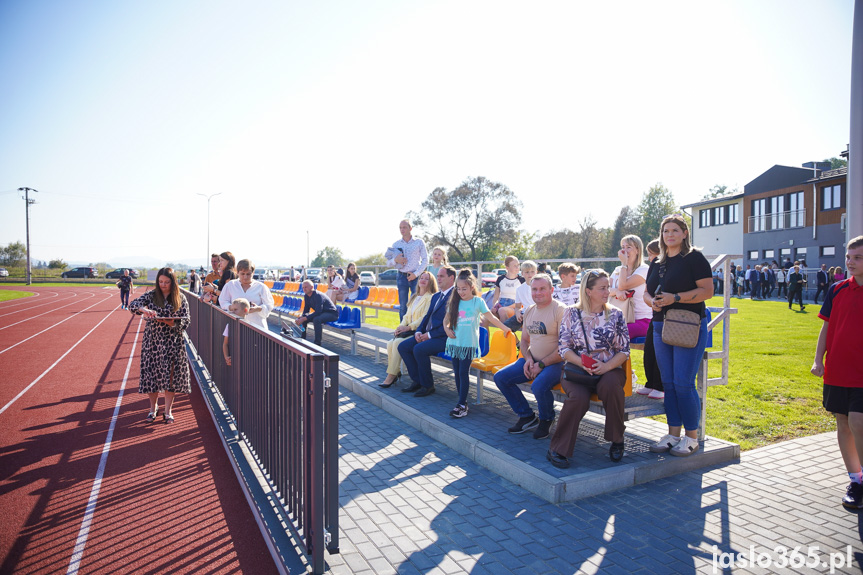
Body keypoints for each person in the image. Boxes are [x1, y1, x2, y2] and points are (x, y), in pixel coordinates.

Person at [644, 214, 714, 457]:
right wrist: (652, 301)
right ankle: (673, 435)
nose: (670, 235)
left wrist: (675, 298)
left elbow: (708, 291)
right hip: (660, 325)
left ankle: (691, 438)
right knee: (670, 384)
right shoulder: (657, 262)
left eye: (675, 230)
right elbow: (646, 293)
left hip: (688, 325)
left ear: (685, 233)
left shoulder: (694, 258)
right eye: (666, 231)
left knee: (684, 384)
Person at [547, 269, 631, 468]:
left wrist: (606, 366)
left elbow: (624, 350)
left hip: (609, 370)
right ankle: (558, 449)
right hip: (577, 372)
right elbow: (564, 347)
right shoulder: (571, 313)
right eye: (602, 288)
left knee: (610, 386)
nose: (607, 292)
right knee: (578, 398)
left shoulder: (616, 314)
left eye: (608, 287)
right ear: (588, 291)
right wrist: (582, 363)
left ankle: (617, 439)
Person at [811, 236, 863, 508]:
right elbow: (826, 327)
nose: (851, 263)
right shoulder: (837, 289)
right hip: (838, 369)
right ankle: (856, 480)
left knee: (858, 422)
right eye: (848, 257)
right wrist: (818, 359)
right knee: (842, 422)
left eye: (858, 258)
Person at [494, 273, 567, 439]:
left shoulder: (561, 310)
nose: (538, 292)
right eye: (534, 289)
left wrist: (540, 364)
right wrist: (527, 359)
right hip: (532, 360)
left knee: (538, 386)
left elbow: (564, 346)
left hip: (556, 364)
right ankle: (527, 416)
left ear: (551, 290)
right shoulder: (529, 311)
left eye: (542, 289)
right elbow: (525, 340)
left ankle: (547, 418)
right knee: (501, 378)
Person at [443, 270, 512, 418]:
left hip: (468, 344)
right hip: (455, 343)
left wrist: (505, 328)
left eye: (464, 289)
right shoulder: (455, 302)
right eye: (458, 289)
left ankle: (462, 404)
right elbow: (446, 319)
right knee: (457, 373)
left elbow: (491, 318)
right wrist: (446, 329)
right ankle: (462, 401)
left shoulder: (477, 302)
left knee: (463, 373)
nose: (461, 292)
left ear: (472, 287)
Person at [128, 268, 191, 424]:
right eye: (161, 282)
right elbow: (132, 305)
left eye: (167, 282)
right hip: (153, 341)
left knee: (171, 377)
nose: (163, 285)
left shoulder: (180, 297)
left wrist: (172, 322)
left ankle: (168, 411)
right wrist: (144, 309)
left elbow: (186, 320)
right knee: (152, 376)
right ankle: (152, 409)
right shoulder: (151, 295)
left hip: (172, 341)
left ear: (173, 282)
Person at [398, 266, 456, 397]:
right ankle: (417, 381)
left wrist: (429, 335)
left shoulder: (455, 297)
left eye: (442, 276)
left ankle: (428, 385)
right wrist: (419, 331)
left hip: (444, 337)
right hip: (428, 334)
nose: (438, 278)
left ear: (451, 278)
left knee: (419, 349)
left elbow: (451, 324)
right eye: (438, 276)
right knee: (404, 347)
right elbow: (426, 317)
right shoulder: (436, 296)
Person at [379, 271, 437, 388]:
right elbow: (406, 316)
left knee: (397, 343)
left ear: (430, 283)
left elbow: (424, 318)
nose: (423, 280)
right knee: (390, 343)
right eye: (422, 278)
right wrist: (400, 327)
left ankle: (391, 375)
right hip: (408, 330)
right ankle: (396, 372)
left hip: (418, 331)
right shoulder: (414, 296)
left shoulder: (430, 298)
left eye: (426, 279)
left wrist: (409, 327)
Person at [609, 234, 651, 339]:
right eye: (623, 247)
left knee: (612, 334)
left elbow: (623, 286)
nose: (624, 251)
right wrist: (616, 292)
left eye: (628, 247)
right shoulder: (617, 270)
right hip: (619, 318)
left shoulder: (644, 270)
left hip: (641, 320)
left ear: (637, 250)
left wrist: (624, 264)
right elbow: (605, 290)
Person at [638, 239, 664, 399]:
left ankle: (660, 386)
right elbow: (647, 291)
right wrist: (651, 301)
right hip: (655, 314)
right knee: (649, 349)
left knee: (660, 352)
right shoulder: (654, 265)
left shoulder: (667, 265)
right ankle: (651, 383)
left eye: (651, 254)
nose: (649, 258)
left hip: (670, 317)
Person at [386, 220, 428, 320]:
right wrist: (395, 260)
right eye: (400, 227)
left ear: (410, 228)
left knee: (416, 304)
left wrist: (416, 274)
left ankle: (414, 330)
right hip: (401, 277)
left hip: (416, 277)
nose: (402, 230)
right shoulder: (396, 244)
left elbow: (426, 260)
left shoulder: (419, 242)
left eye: (404, 227)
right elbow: (388, 263)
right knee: (403, 306)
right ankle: (402, 332)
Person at [218, 259, 275, 331]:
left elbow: (269, 306)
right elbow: (223, 301)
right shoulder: (230, 285)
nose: (245, 277)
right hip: (236, 326)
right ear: (237, 272)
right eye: (242, 274)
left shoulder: (261, 287)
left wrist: (258, 309)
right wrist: (231, 307)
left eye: (248, 274)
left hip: (257, 328)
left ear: (253, 273)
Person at [296, 280, 340, 346]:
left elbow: (318, 311)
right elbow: (306, 310)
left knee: (316, 319)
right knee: (303, 320)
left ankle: (317, 343)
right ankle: (302, 338)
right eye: (303, 287)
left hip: (331, 314)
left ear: (312, 287)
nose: (304, 289)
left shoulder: (318, 295)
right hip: (322, 313)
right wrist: (301, 318)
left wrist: (304, 318)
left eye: (306, 287)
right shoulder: (306, 296)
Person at [503, 260, 538, 332]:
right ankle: (517, 343)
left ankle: (531, 342)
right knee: (505, 327)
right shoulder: (520, 289)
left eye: (532, 271)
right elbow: (517, 307)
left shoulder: (540, 287)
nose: (530, 274)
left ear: (536, 272)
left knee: (531, 327)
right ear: (522, 273)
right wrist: (518, 313)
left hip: (538, 313)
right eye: (527, 272)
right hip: (524, 313)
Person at [492, 256, 524, 322]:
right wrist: (494, 306)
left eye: (518, 265)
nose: (517, 267)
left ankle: (506, 331)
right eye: (514, 265)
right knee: (485, 318)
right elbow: (496, 297)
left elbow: (522, 300)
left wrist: (507, 307)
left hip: (515, 307)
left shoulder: (522, 280)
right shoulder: (500, 279)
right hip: (500, 304)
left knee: (502, 311)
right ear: (507, 268)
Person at [222, 298, 250, 366]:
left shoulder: (250, 327)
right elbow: (225, 343)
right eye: (232, 310)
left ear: (245, 310)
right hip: (234, 362)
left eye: (235, 310)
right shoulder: (229, 326)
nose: (233, 312)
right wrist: (226, 357)